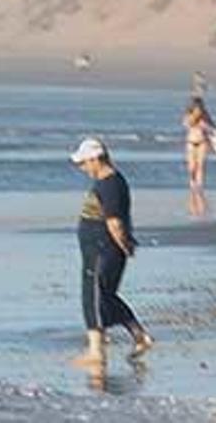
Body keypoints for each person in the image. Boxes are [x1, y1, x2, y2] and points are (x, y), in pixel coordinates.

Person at [70, 138, 153, 367]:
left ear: (96, 159)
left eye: (84, 163)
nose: (83, 168)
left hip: (102, 248)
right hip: (98, 247)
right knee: (106, 296)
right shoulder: (107, 182)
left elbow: (114, 221)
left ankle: (96, 351)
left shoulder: (110, 184)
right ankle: (140, 335)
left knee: (94, 296)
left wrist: (124, 244)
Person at [183, 97, 216, 191]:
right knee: (192, 166)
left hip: (203, 142)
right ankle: (192, 181)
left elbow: (213, 126)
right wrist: (195, 119)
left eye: (200, 106)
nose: (199, 108)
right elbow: (186, 124)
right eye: (197, 106)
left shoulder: (205, 115)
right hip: (191, 143)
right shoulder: (188, 115)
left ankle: (200, 185)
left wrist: (209, 128)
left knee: (201, 165)